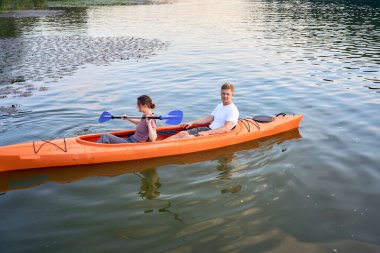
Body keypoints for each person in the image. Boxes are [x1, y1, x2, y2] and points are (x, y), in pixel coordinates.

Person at [166, 82, 239, 140]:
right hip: (210, 129)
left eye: (227, 94)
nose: (225, 96)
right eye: (223, 93)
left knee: (186, 138)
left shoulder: (232, 110)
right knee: (181, 133)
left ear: (232, 94)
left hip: (217, 134)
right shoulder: (219, 106)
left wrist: (207, 133)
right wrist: (192, 122)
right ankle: (156, 145)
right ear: (220, 94)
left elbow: (226, 128)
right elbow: (208, 119)